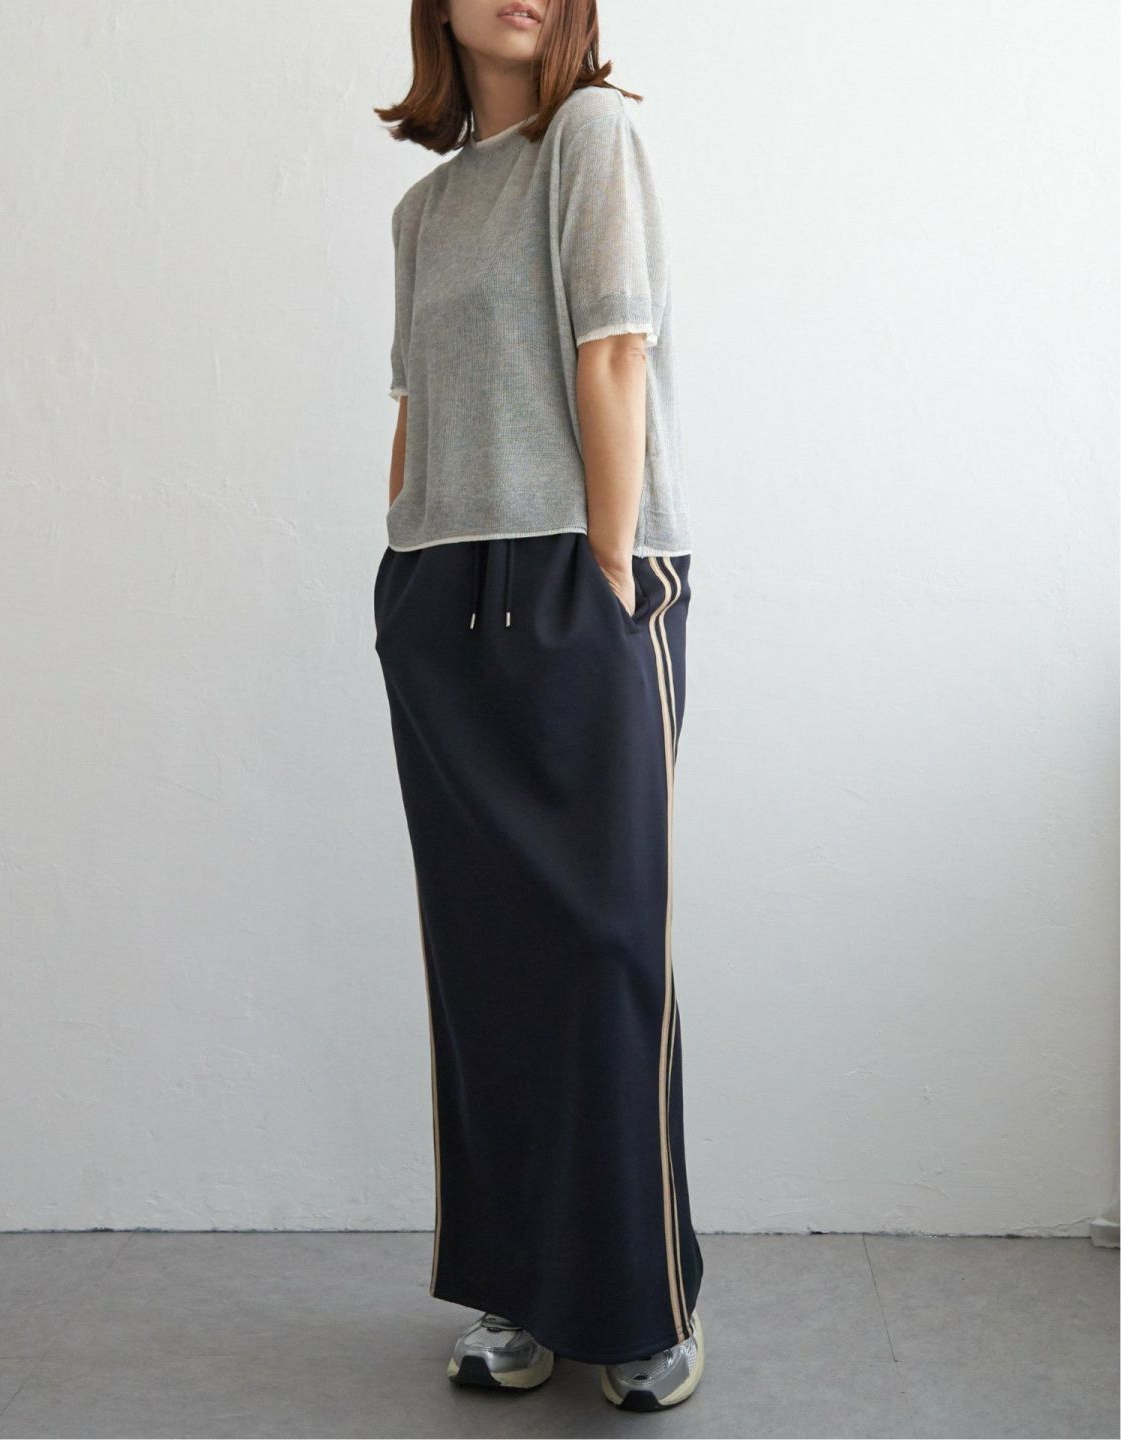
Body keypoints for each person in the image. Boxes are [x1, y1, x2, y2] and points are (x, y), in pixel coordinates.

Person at [371, 0, 703, 1412]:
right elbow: (413, 406)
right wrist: (402, 556)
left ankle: (639, 1304)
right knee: (485, 959)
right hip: (440, 590)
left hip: (580, 572)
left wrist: (611, 572)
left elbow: (613, 350)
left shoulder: (592, 135)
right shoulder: (426, 209)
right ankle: (519, 1290)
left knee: (601, 950)